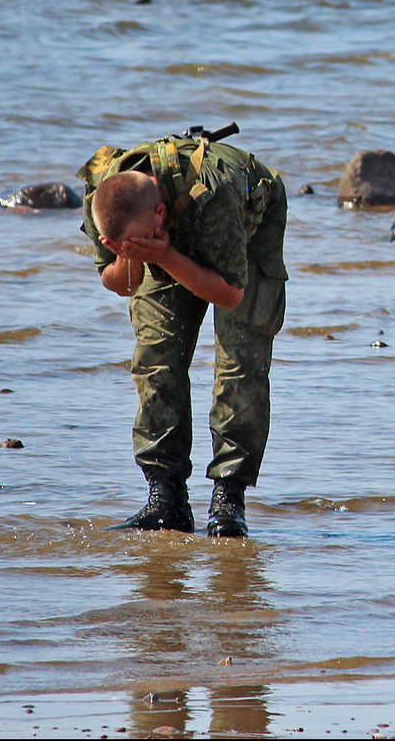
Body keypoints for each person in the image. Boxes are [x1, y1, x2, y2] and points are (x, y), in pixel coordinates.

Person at [77, 128, 287, 537]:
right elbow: (116, 281)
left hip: (245, 222)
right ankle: (165, 499)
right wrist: (131, 258)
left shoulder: (215, 192)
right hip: (162, 234)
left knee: (240, 358)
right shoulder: (101, 196)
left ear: (160, 216)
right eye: (122, 243)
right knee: (155, 357)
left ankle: (229, 498)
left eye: (144, 237)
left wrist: (166, 254)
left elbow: (228, 295)